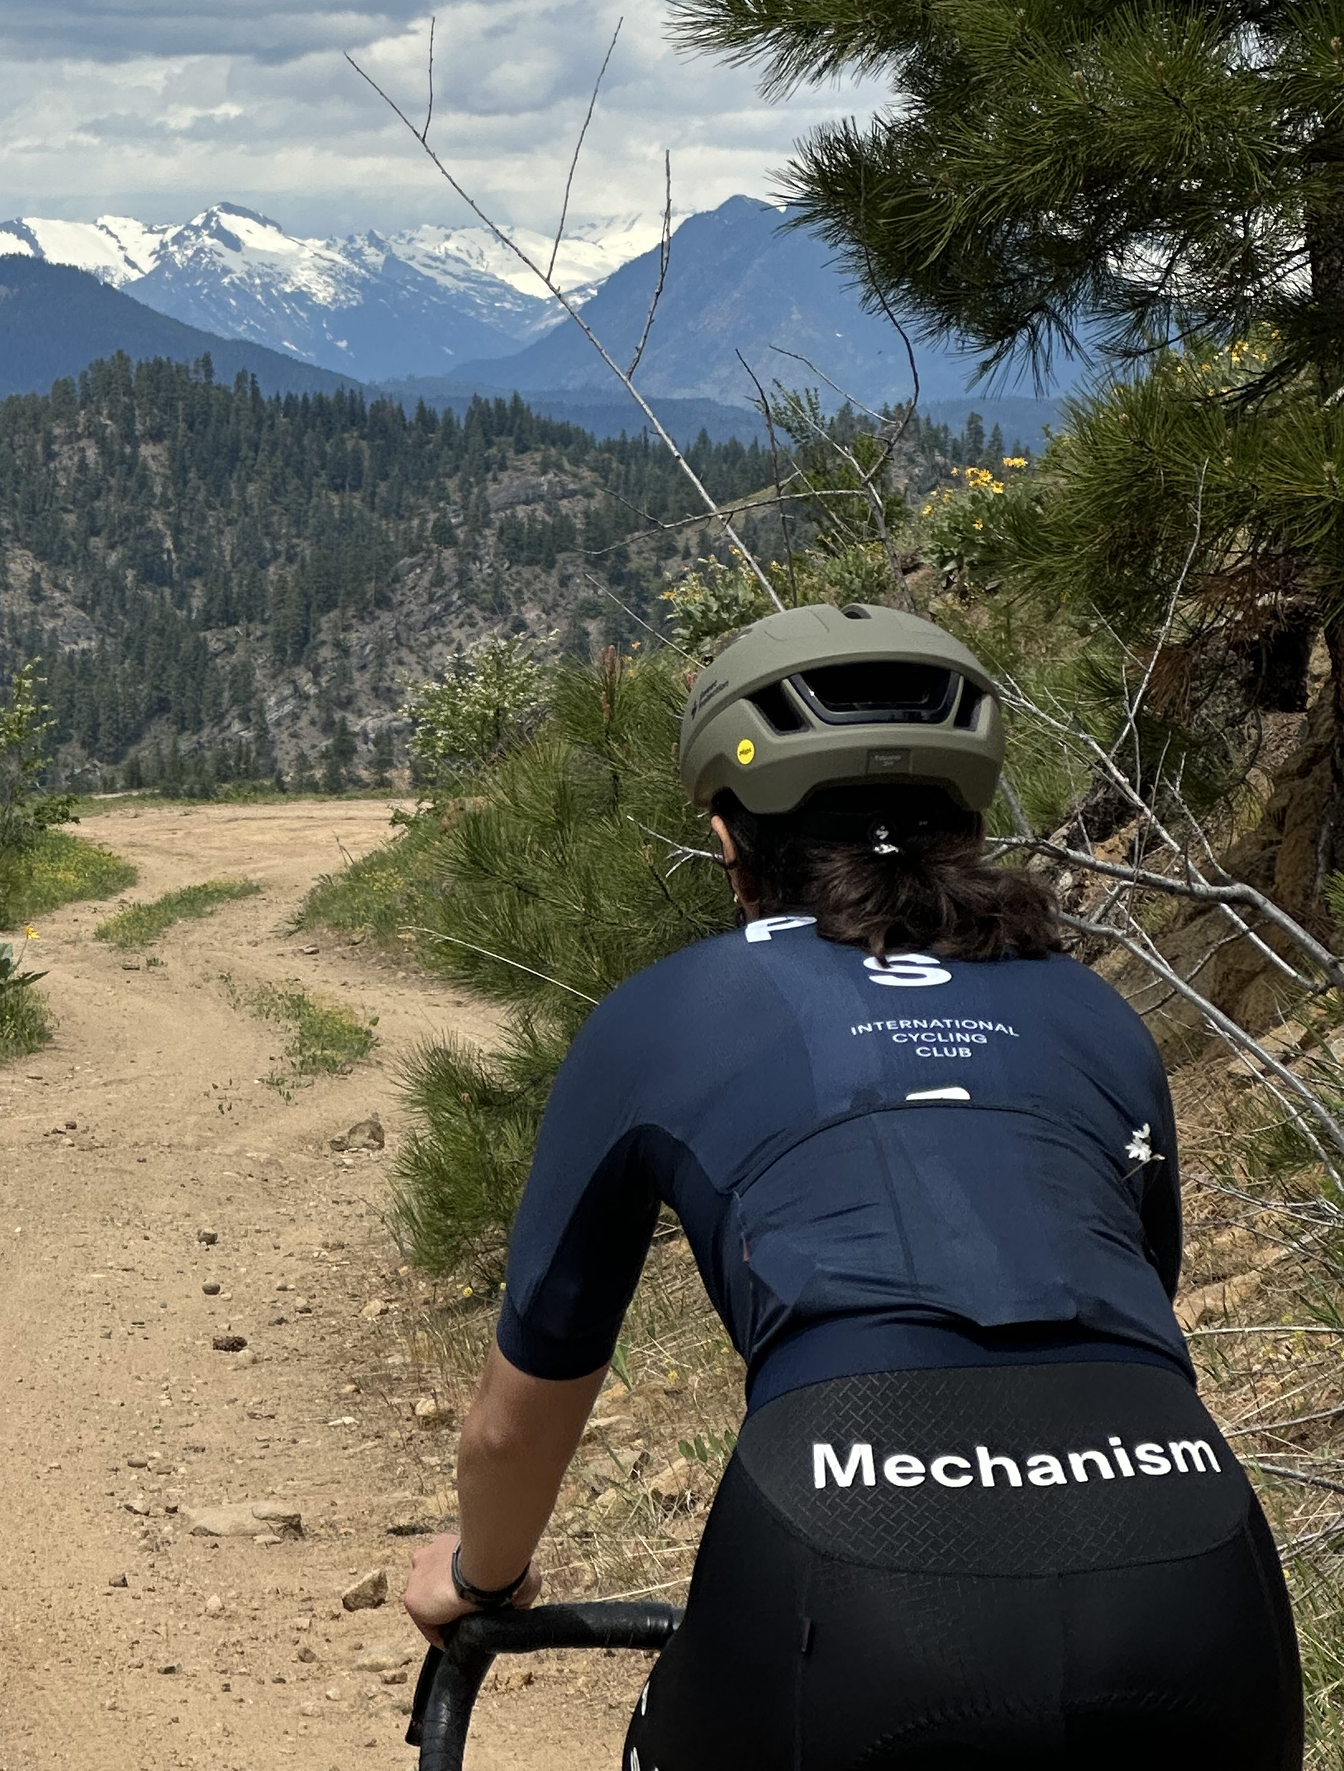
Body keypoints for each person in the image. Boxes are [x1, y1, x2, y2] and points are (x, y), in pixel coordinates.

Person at [401, 600, 1304, 1769]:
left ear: (729, 840)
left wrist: (483, 1572)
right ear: (970, 824)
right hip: (1188, 1564)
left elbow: (517, 1422)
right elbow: (1123, 1303)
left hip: (854, 1566)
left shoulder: (665, 1015)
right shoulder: (1094, 1012)